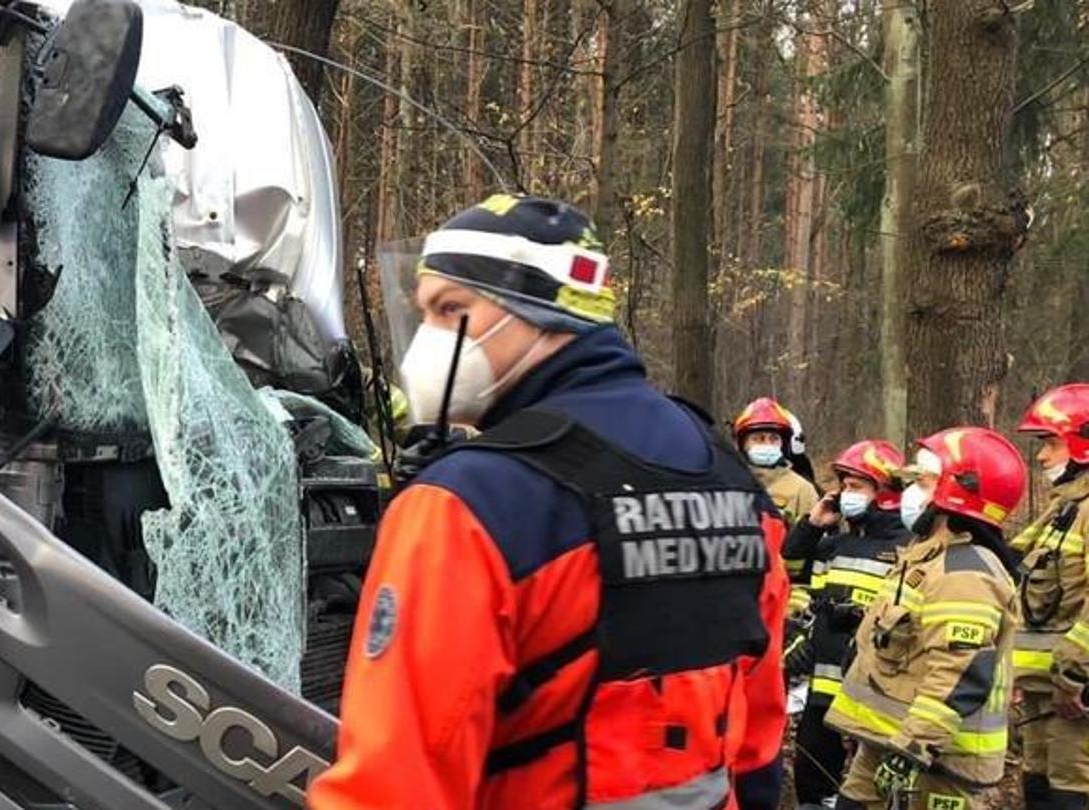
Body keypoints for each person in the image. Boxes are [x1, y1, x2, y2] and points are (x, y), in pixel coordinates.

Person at [309, 194, 788, 809]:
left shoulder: (469, 503)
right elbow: (757, 747)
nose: (426, 340)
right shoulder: (734, 482)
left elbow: (393, 787)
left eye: (450, 309)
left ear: (538, 315)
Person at [824, 428, 1024, 810]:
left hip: (937, 762)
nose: (911, 491)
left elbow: (957, 674)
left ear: (958, 490)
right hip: (886, 740)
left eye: (924, 481)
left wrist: (912, 750)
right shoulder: (926, 554)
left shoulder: (966, 573)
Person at [781, 439, 912, 810]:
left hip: (872, 692)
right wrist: (810, 526)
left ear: (885, 492)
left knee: (864, 788)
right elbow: (793, 575)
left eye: (856, 486)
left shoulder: (907, 548)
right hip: (822, 687)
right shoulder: (831, 545)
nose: (844, 494)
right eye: (843, 486)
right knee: (811, 777)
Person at [1012, 383, 1089, 810]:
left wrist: (1076, 675)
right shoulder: (1064, 508)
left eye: (1051, 444)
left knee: (1070, 791)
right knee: (1038, 786)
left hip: (1074, 693)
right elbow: (1015, 563)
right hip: (1045, 688)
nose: (1042, 456)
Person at [733, 397, 821, 526]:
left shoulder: (803, 490)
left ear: (783, 445)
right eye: (758, 439)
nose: (767, 444)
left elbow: (812, 540)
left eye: (774, 439)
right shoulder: (730, 484)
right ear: (743, 445)